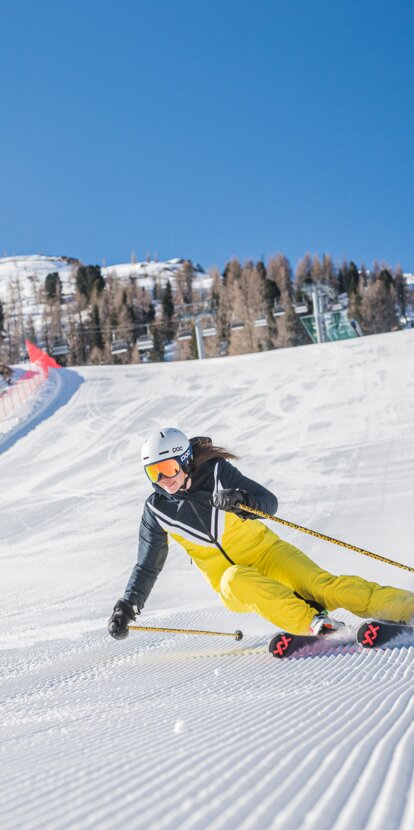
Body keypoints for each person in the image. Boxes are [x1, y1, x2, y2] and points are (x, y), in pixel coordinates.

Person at [108, 427, 414, 640]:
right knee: (235, 577)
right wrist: (127, 606)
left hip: (269, 553)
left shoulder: (217, 472)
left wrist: (241, 500)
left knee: (325, 587)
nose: (163, 479)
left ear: (185, 460)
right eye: (154, 472)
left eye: (169, 468)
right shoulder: (156, 510)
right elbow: (147, 566)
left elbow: (269, 503)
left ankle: (406, 606)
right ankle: (314, 623)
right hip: (231, 582)